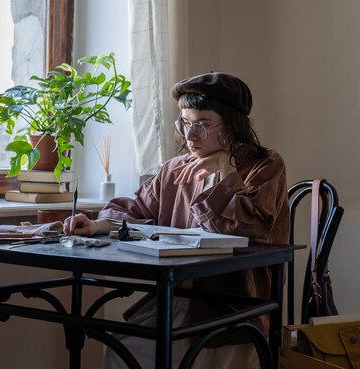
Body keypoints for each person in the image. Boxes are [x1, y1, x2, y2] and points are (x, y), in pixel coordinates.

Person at [64, 72, 289, 369]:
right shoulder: (175, 169)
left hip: (231, 300)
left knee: (134, 354)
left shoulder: (265, 165)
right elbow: (139, 207)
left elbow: (247, 229)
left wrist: (225, 170)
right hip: (177, 294)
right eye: (185, 123)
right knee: (121, 353)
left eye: (203, 124)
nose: (190, 135)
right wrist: (98, 224)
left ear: (233, 125)